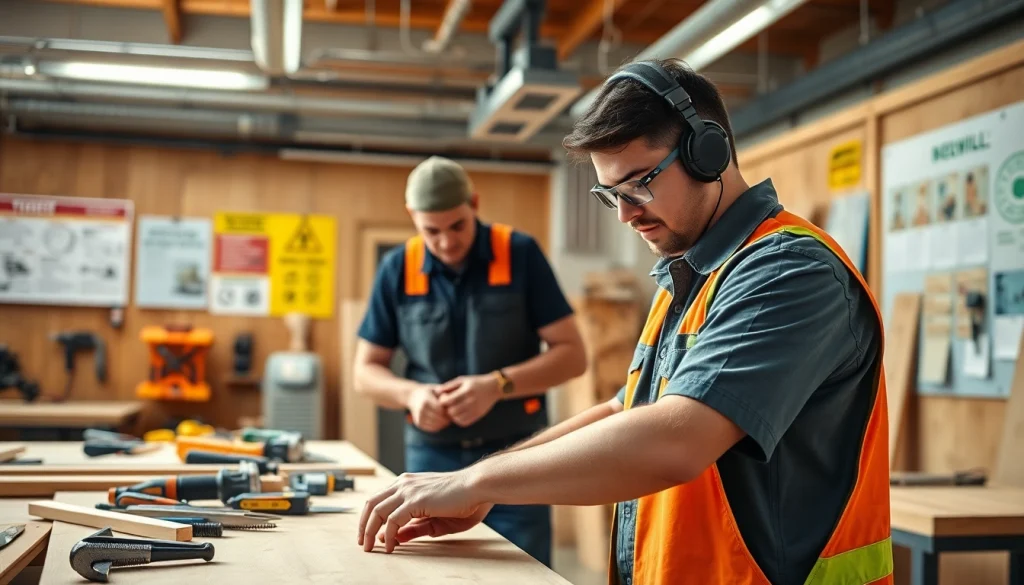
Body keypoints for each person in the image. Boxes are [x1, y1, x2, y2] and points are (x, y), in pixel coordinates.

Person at [355, 60, 892, 585]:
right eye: (610, 193)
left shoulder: (788, 271)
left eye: (639, 184)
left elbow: (675, 440)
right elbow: (624, 410)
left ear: (710, 153)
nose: (624, 214)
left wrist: (480, 476)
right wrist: (487, 482)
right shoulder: (691, 277)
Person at [351, 155, 587, 568]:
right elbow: (364, 372)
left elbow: (573, 355)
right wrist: (412, 395)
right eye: (431, 231)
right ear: (412, 217)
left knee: (527, 573)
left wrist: (497, 385)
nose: (445, 242)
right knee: (433, 572)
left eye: (457, 226)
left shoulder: (519, 254)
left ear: (474, 203)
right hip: (432, 460)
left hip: (517, 458)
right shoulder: (398, 268)